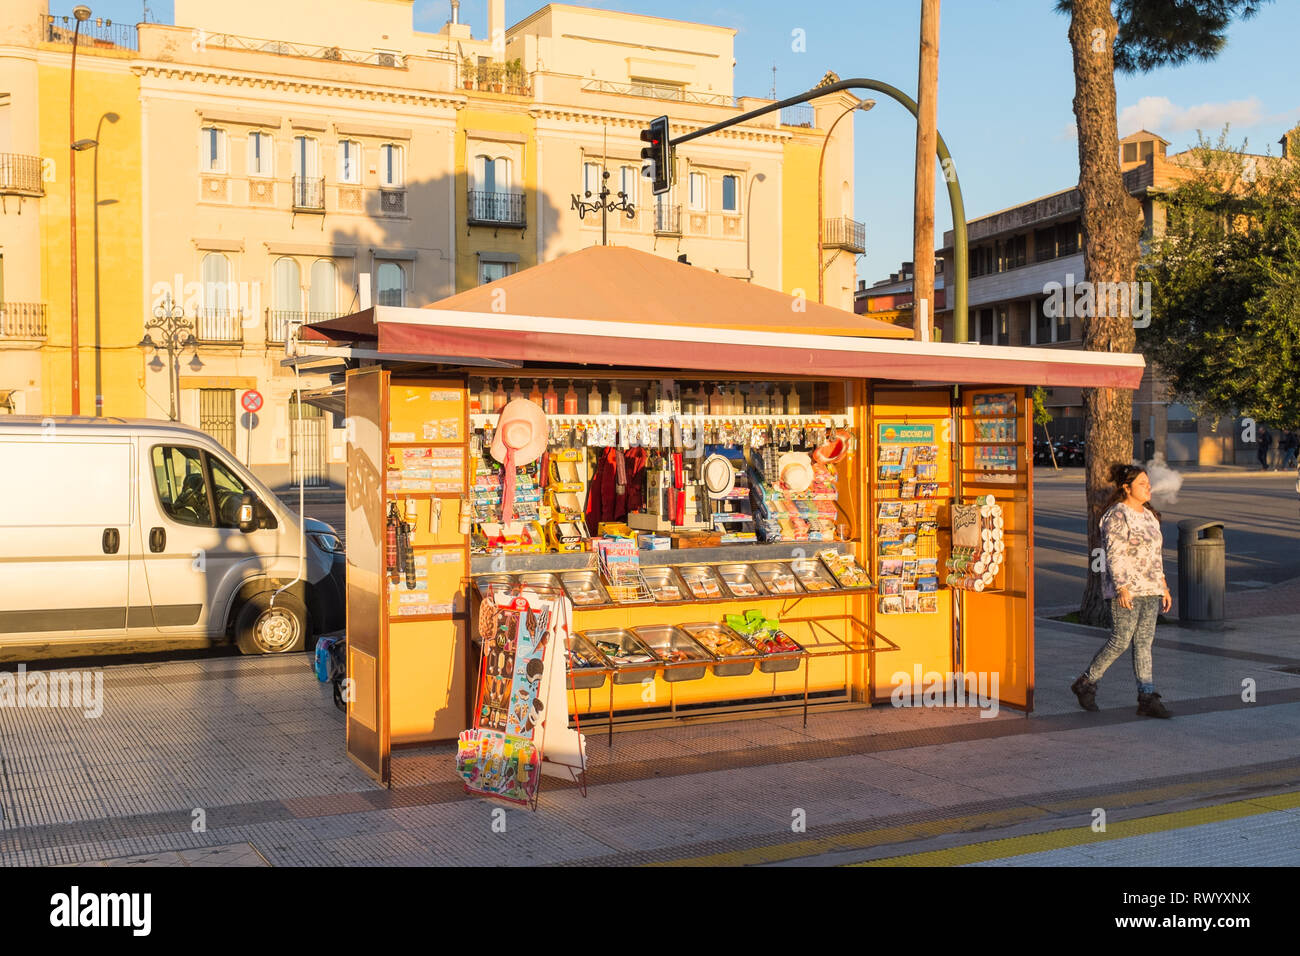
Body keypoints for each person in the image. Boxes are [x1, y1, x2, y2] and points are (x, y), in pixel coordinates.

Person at [1070, 463, 1173, 718]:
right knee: (1120, 640)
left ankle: (1147, 697)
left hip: (1150, 588)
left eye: (1148, 483)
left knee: (1144, 643)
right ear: (1126, 488)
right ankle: (1086, 682)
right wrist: (1122, 587)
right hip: (1126, 590)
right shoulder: (1117, 515)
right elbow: (1115, 554)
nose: (1148, 487)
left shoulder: (1149, 515)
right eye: (1142, 484)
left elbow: (1155, 555)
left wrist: (1164, 585)